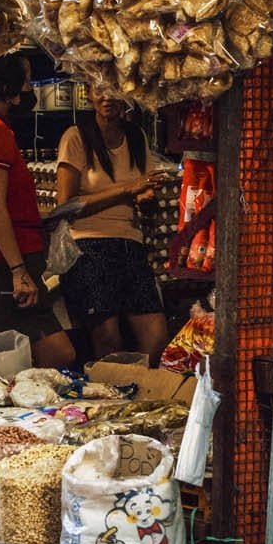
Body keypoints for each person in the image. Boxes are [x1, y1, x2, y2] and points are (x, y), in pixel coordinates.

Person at [0, 54, 76, 370]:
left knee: (29, 360)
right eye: (24, 79)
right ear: (5, 85)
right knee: (52, 356)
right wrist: (18, 270)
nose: (29, 87)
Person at [55, 92, 169, 364]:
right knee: (109, 340)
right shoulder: (76, 136)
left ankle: (144, 396)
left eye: (114, 91)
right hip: (88, 247)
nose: (107, 98)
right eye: (98, 90)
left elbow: (145, 201)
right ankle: (111, 397)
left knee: (157, 340)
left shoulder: (136, 137)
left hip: (131, 244)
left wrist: (146, 199)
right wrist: (128, 189)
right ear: (88, 93)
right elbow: (65, 206)